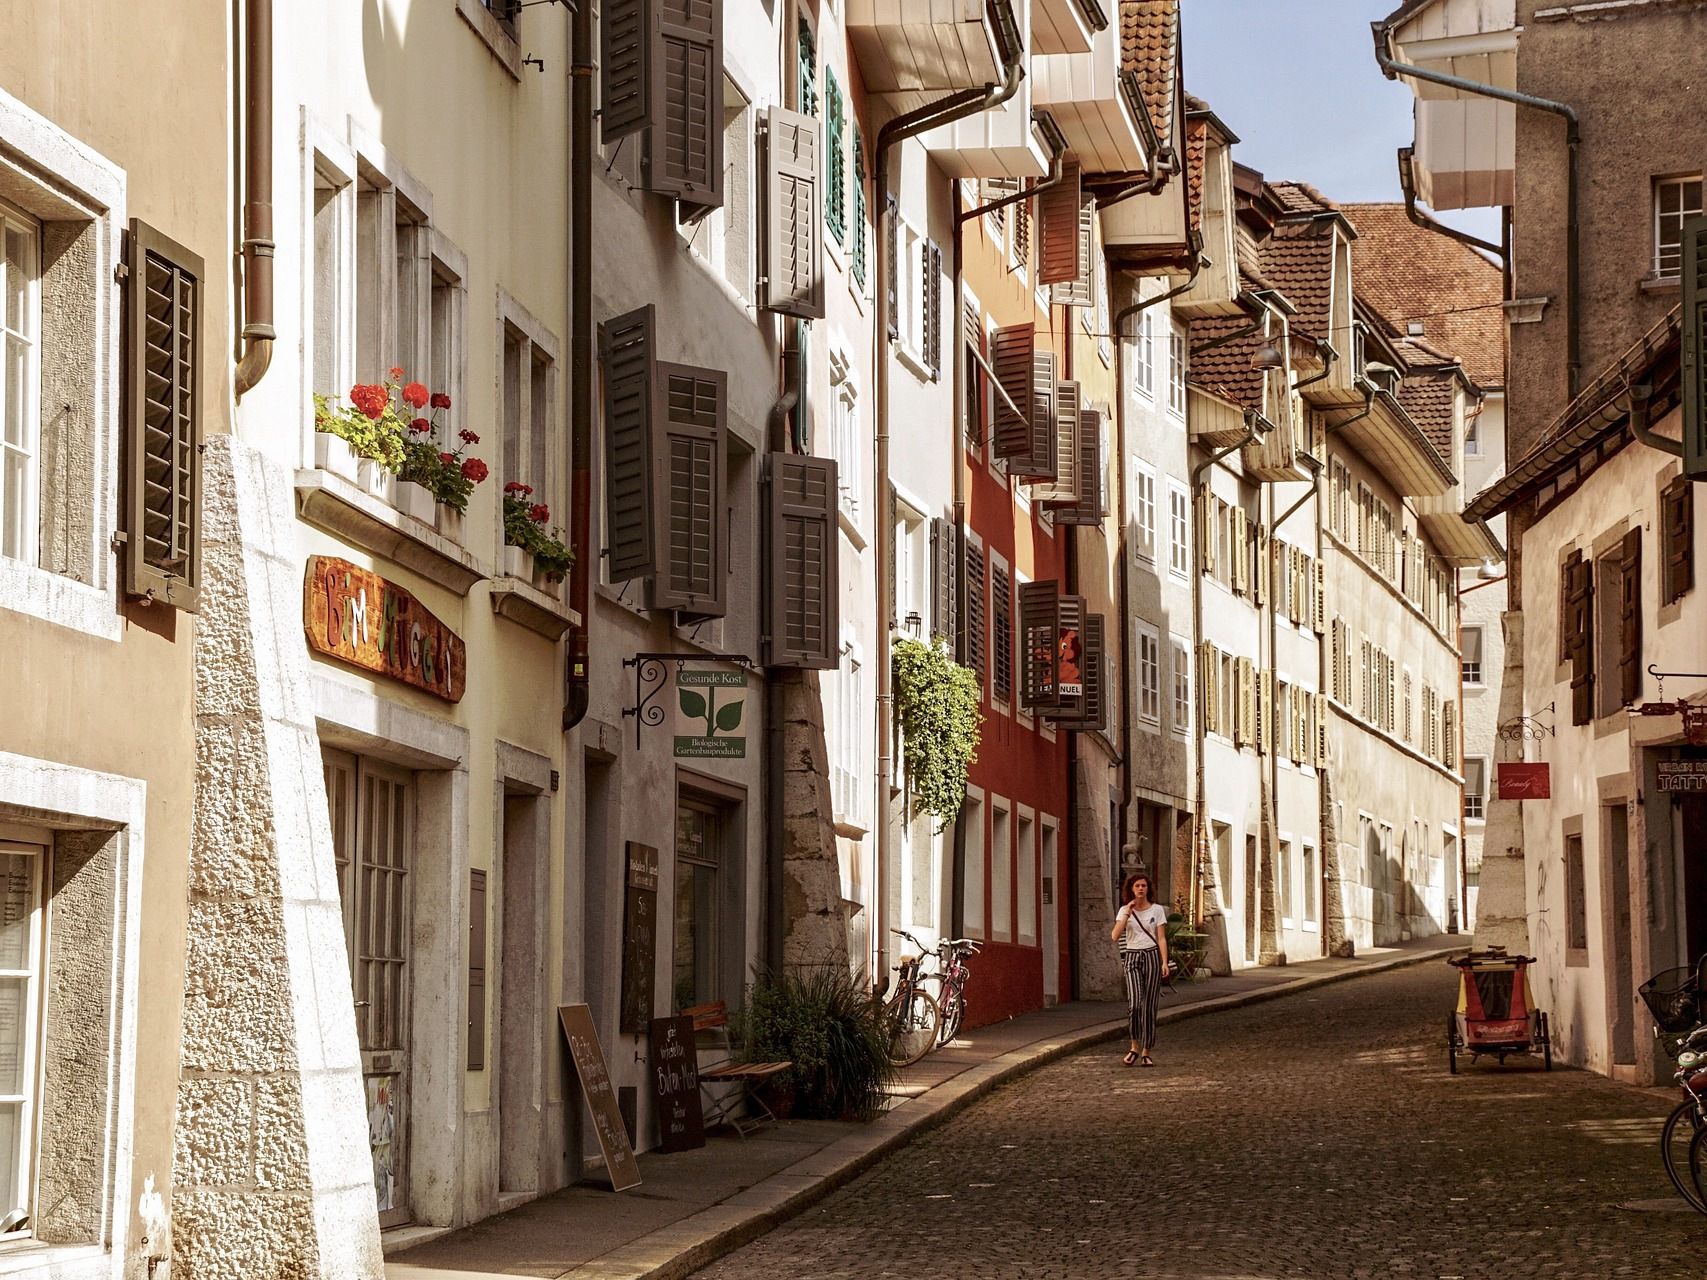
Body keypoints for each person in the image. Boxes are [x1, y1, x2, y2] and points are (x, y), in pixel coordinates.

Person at [1110, 872, 1170, 1067]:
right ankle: (1134, 1045)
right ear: (1131, 889)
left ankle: (1146, 1051)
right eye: (1137, 886)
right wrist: (1127, 912)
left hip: (1152, 955)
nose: (1141, 889)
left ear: (1148, 888)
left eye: (1144, 885)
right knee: (1135, 1003)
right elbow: (1115, 935)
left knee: (1149, 1006)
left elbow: (1161, 937)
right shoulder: (1124, 911)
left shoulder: (1157, 910)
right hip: (1133, 956)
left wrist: (1164, 962)